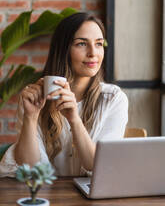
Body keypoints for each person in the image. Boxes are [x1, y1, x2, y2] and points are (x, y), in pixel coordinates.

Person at [0, 12, 128, 177]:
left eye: (98, 44)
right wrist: (31, 117)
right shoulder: (35, 98)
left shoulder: (113, 99)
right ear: (63, 49)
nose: (93, 53)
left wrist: (74, 119)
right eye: (82, 44)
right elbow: (31, 169)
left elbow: (97, 165)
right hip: (49, 196)